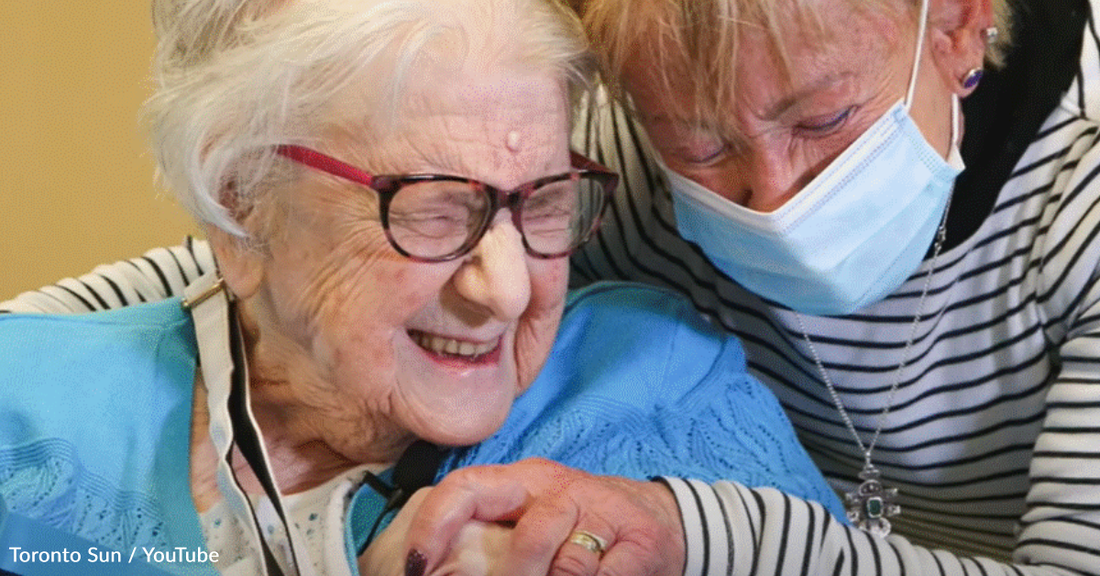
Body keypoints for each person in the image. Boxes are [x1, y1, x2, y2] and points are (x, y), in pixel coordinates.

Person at [0, 0, 846, 574]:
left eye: (545, 201)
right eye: (435, 210)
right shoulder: (28, 403)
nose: (506, 290)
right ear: (242, 204)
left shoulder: (664, 387)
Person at [390, 0, 1100, 574]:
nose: (773, 198)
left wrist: (696, 536)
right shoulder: (624, 171)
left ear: (957, 28)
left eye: (824, 120)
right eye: (702, 149)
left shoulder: (1077, 204)